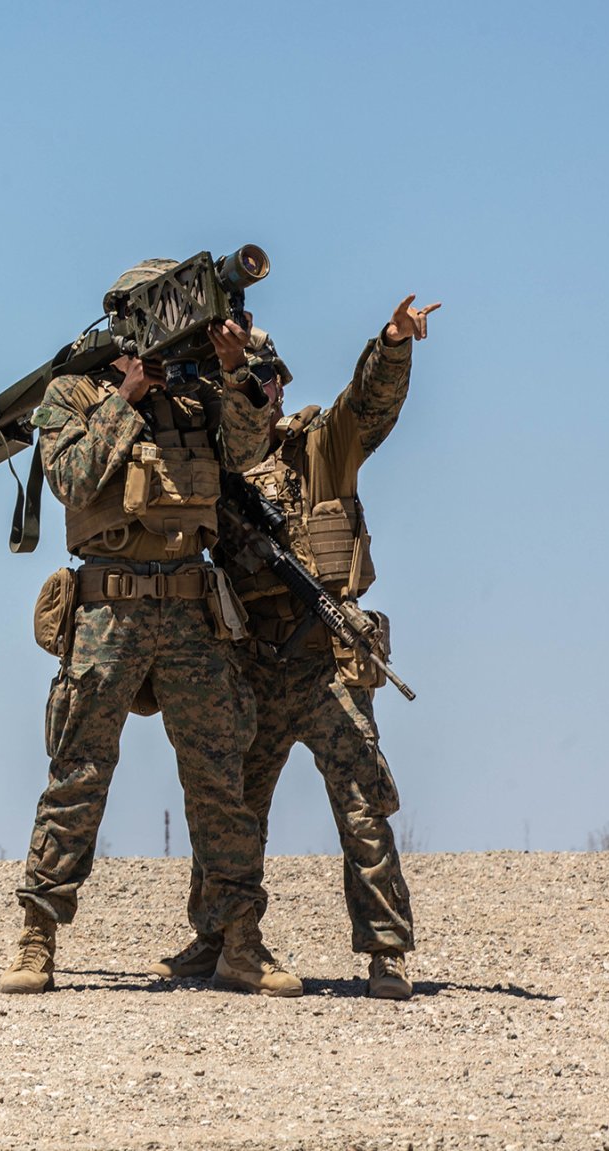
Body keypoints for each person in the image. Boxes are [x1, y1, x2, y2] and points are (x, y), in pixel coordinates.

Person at [1, 258, 299, 997]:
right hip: (108, 609)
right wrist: (127, 396)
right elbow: (71, 479)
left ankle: (239, 939)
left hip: (193, 610)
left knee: (220, 778)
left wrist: (236, 374)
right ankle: (38, 934)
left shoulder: (199, 395)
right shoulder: (73, 391)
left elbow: (249, 454)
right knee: (79, 771)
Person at [153, 295, 440, 1000]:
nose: (266, 387)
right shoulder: (214, 466)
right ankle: (219, 935)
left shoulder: (319, 447)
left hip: (326, 662)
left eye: (270, 376)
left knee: (362, 805)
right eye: (251, 376)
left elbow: (369, 405)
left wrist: (392, 344)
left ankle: (386, 950)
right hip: (254, 661)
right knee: (231, 809)